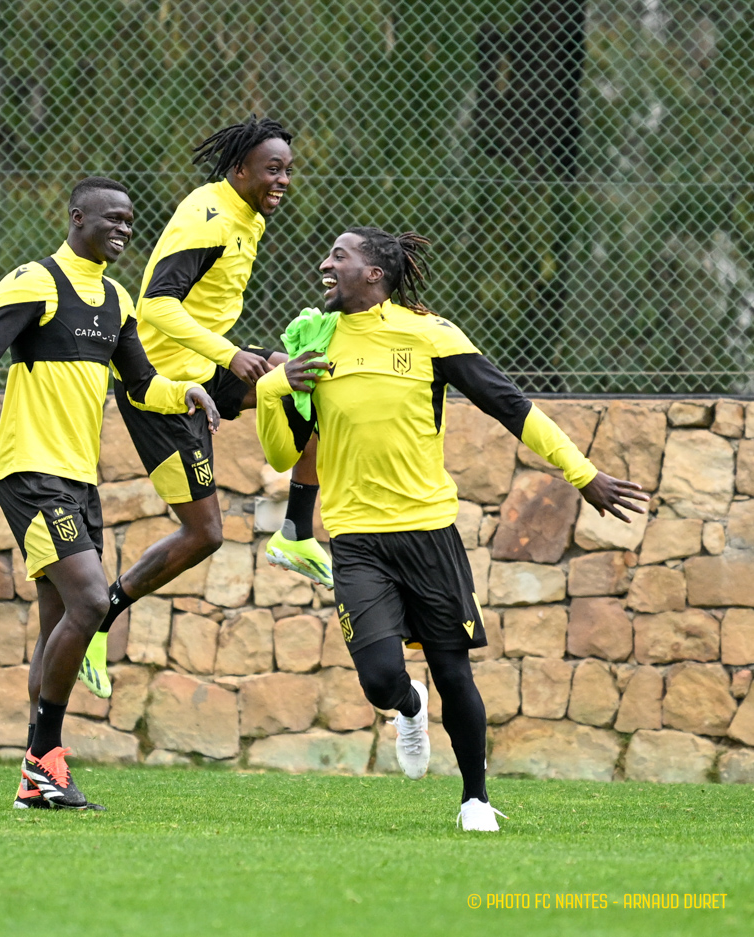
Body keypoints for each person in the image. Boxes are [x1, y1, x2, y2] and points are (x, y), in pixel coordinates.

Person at [254, 227, 648, 831]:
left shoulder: (430, 335)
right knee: (380, 680)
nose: (325, 265)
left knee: (453, 671)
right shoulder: (317, 338)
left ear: (374, 273)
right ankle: (408, 706)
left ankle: (475, 800)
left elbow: (511, 406)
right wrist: (273, 388)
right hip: (356, 540)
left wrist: (584, 474)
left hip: (429, 533)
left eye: (339, 256)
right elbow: (284, 454)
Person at [0, 177, 218, 810]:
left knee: (58, 623)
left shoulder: (117, 299)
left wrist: (185, 392)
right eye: (112, 218)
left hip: (79, 480)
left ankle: (37, 783)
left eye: (130, 220)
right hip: (30, 473)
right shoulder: (33, 282)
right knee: (90, 600)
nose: (124, 229)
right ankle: (43, 758)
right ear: (78, 217)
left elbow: (140, 385)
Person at [85, 115, 326, 700]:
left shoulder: (249, 214)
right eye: (273, 169)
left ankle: (295, 531)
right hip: (161, 384)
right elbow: (156, 306)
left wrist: (237, 356)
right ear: (240, 169)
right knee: (205, 535)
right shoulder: (208, 216)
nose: (284, 180)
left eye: (289, 170)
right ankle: (99, 618)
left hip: (205, 365)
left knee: (312, 385)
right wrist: (232, 354)